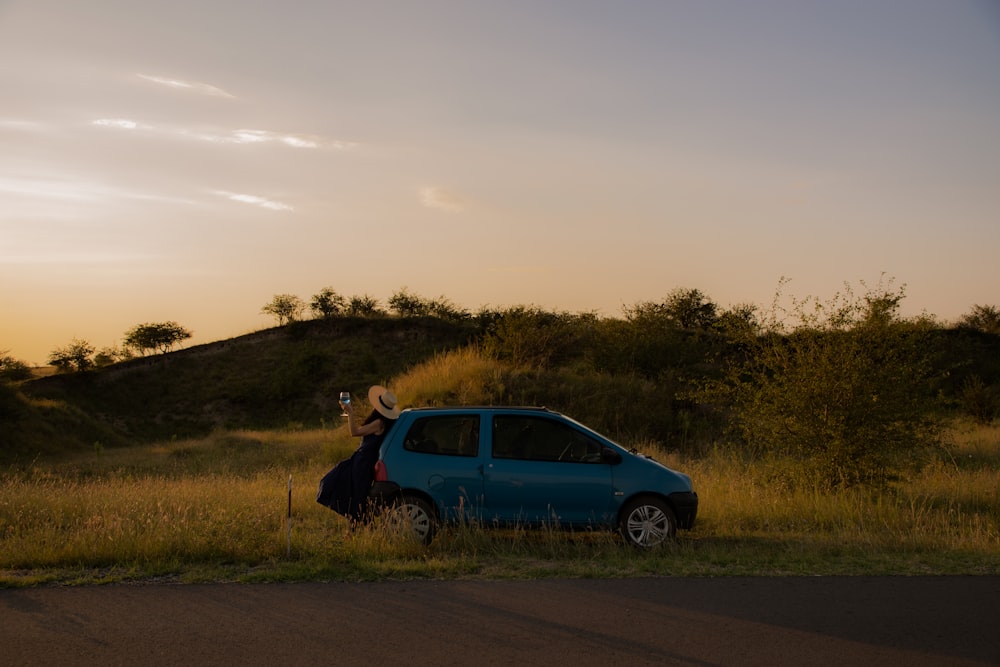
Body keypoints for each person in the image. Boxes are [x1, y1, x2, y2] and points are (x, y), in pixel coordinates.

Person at [316, 385, 401, 524]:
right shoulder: (384, 423)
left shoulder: (379, 423)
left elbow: (354, 432)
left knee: (340, 487)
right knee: (354, 494)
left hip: (363, 463)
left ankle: (358, 527)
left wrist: (350, 413)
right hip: (362, 461)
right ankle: (357, 527)